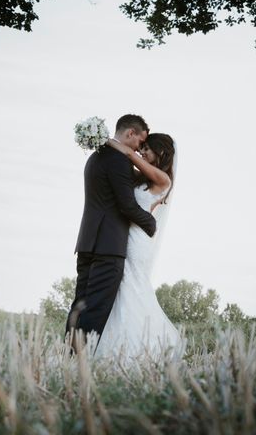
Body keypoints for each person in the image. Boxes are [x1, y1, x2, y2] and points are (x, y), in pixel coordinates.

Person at [66, 114, 156, 350]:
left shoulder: (95, 158)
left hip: (87, 242)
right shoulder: (119, 160)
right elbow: (126, 205)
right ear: (130, 134)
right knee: (95, 309)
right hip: (108, 247)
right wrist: (150, 222)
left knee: (80, 305)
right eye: (139, 142)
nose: (139, 149)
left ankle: (68, 358)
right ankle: (81, 362)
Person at [95, 132, 182, 358]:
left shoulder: (164, 179)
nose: (141, 152)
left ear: (160, 153)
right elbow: (123, 167)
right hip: (127, 235)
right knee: (122, 288)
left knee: (130, 286)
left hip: (139, 241)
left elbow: (127, 153)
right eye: (141, 148)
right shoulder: (143, 178)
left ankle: (136, 348)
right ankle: (116, 344)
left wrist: (101, 137)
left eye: (146, 149)